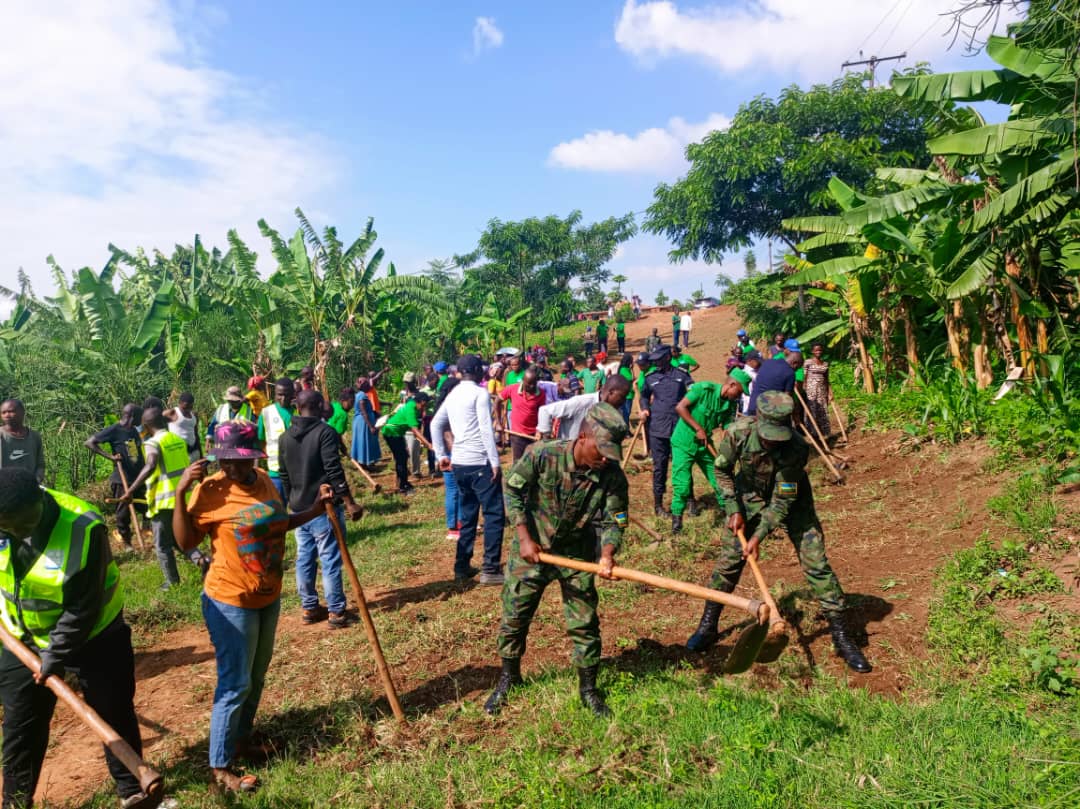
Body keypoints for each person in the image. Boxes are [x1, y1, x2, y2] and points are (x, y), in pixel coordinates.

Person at [173, 423, 336, 793]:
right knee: (235, 683)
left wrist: (316, 509)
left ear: (254, 457)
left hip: (267, 597)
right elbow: (184, 541)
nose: (233, 468)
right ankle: (220, 766)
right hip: (230, 601)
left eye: (239, 461)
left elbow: (279, 525)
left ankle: (241, 739)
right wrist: (181, 493)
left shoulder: (263, 480)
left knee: (256, 677)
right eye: (226, 461)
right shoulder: (210, 491)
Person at [687, 392, 871, 673]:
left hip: (794, 503)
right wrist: (733, 506)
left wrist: (758, 536)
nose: (773, 442)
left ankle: (842, 637)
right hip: (747, 496)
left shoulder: (796, 448)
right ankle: (708, 626)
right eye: (768, 436)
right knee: (728, 563)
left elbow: (782, 501)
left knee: (816, 564)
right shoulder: (738, 434)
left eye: (779, 435)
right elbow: (722, 470)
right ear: (758, 420)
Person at [0, 468, 151, 809]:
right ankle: (14, 803)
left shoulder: (84, 528)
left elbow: (84, 607)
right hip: (22, 639)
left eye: (24, 524)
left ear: (40, 497)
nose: (17, 532)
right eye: (7, 526)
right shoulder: (4, 520)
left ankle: (133, 790)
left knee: (112, 709)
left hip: (96, 634)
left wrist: (55, 654)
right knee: (20, 726)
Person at [483, 404, 629, 717]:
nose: (605, 459)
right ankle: (509, 677)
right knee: (514, 615)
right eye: (601, 450)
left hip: (576, 554)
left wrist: (607, 554)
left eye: (611, 453)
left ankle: (588, 688)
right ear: (583, 436)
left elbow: (616, 518)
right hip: (532, 550)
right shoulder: (543, 454)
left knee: (585, 622)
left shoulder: (611, 476)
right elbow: (512, 489)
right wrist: (523, 537)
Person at [279, 390, 363, 629]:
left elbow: (284, 474)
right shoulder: (324, 432)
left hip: (298, 508)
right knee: (329, 558)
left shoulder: (285, 437)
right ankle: (336, 611)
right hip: (323, 508)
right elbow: (334, 470)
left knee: (304, 557)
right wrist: (349, 502)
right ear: (316, 405)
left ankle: (309, 607)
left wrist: (292, 498)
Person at [431, 355, 505, 585]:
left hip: (460, 464)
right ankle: (490, 569)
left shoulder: (453, 394)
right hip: (479, 462)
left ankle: (462, 566)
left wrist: (442, 455)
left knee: (468, 515)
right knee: (494, 515)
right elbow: (485, 429)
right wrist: (495, 461)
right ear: (476, 370)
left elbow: (435, 424)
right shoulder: (479, 393)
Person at [122, 407, 208, 588]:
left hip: (163, 502)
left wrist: (131, 490)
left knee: (162, 545)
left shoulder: (152, 443)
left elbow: (151, 464)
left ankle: (171, 582)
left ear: (145, 426)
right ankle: (202, 561)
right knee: (179, 539)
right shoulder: (176, 439)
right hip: (182, 498)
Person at [669, 377, 745, 534]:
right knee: (682, 485)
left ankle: (730, 516)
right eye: (739, 391)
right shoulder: (703, 389)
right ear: (731, 384)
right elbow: (680, 407)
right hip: (683, 442)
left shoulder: (730, 404)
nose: (739, 396)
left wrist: (728, 451)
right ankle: (677, 522)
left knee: (721, 480)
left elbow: (727, 428)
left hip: (704, 445)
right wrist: (698, 428)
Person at [638, 346, 693, 516]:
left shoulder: (682, 375)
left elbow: (693, 393)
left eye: (659, 359)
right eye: (654, 360)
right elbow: (644, 396)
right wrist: (644, 408)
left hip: (679, 427)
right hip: (658, 428)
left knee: (683, 465)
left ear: (668, 357)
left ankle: (690, 501)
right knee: (660, 467)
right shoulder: (650, 378)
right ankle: (658, 506)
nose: (656, 363)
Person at [86, 404, 145, 548]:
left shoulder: (133, 431)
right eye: (139, 416)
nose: (141, 420)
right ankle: (127, 543)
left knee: (146, 507)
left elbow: (134, 453)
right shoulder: (114, 429)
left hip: (137, 478)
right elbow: (89, 442)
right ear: (132, 416)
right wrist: (110, 457)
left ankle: (147, 533)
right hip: (122, 478)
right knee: (123, 514)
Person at [537, 375, 631, 439]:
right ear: (611, 393)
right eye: (622, 397)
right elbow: (545, 410)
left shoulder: (615, 413)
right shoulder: (580, 403)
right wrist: (546, 440)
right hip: (569, 459)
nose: (623, 401)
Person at [381, 391, 432, 494]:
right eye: (425, 404)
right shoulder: (411, 409)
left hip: (396, 433)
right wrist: (428, 444)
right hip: (392, 433)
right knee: (401, 458)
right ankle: (403, 486)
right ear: (421, 401)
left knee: (403, 457)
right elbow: (415, 430)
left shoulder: (412, 404)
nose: (424, 406)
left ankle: (402, 482)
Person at [256, 379, 295, 500]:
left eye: (286, 395)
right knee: (278, 510)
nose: (283, 398)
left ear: (293, 394)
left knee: (300, 511)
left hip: (298, 472)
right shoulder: (266, 413)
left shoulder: (299, 411)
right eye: (280, 395)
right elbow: (261, 441)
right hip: (275, 472)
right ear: (275, 394)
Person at [500, 368, 544, 461]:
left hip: (533, 435)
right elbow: (497, 401)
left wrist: (539, 431)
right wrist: (498, 422)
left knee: (532, 462)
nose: (532, 386)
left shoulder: (541, 394)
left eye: (534, 383)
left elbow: (542, 413)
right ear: (523, 381)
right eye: (529, 383)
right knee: (518, 462)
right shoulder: (512, 389)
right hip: (517, 435)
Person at [0, 399, 44, 483]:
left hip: (28, 488)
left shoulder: (35, 436)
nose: (7, 415)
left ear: (22, 412)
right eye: (3, 412)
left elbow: (40, 465)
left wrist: (36, 480)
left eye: (11, 411)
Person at [746, 349, 797, 416]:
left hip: (754, 407)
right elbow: (787, 398)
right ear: (795, 364)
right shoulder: (790, 373)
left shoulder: (767, 363)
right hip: (765, 412)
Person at [206, 387, 254, 455]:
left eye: (234, 401)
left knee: (238, 465)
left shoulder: (249, 411)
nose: (232, 403)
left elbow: (253, 431)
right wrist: (208, 441)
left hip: (241, 451)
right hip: (221, 448)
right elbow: (212, 425)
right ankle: (212, 462)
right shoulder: (221, 409)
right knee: (210, 458)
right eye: (230, 401)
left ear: (239, 400)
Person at [803, 343, 833, 438]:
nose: (818, 352)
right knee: (812, 409)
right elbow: (804, 377)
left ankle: (824, 432)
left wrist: (830, 392)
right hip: (811, 390)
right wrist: (803, 388)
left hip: (822, 390)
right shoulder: (808, 362)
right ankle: (813, 432)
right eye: (816, 350)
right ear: (812, 351)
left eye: (820, 350)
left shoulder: (825, 364)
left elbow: (827, 379)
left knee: (823, 410)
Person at [350, 379, 381, 468]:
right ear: (364, 386)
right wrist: (371, 426)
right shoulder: (362, 396)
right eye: (367, 383)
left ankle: (363, 463)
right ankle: (365, 463)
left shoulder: (358, 395)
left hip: (360, 422)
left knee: (361, 441)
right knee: (365, 442)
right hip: (364, 422)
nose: (369, 385)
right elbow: (364, 412)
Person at [165, 392, 202, 462]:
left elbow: (196, 435)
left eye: (190, 407)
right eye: (185, 407)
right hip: (180, 454)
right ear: (179, 403)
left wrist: (201, 455)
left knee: (211, 457)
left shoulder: (194, 415)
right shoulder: (172, 413)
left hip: (194, 452)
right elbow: (155, 420)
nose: (188, 409)